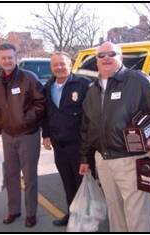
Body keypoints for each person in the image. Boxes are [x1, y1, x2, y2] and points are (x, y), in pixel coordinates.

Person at [79, 41, 150, 232]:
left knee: (138, 217)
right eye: (101, 55)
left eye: (112, 54)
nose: (106, 58)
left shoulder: (137, 80)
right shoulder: (93, 89)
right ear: (96, 61)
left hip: (130, 160)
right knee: (115, 212)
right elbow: (87, 127)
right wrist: (85, 157)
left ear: (121, 57)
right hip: (103, 159)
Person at [0, 43, 46, 228]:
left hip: (28, 135)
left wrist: (25, 120)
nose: (7, 61)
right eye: (3, 58)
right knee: (11, 176)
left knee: (29, 176)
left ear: (16, 58)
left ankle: (31, 213)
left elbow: (40, 102)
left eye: (10, 57)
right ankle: (13, 210)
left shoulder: (28, 78)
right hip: (8, 136)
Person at [42, 51, 91, 226]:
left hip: (78, 146)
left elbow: (90, 117)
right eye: (55, 64)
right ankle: (71, 214)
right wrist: (46, 134)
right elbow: (47, 114)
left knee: (82, 186)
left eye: (63, 64)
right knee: (67, 183)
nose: (59, 67)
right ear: (51, 67)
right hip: (59, 145)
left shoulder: (83, 84)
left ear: (70, 65)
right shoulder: (48, 87)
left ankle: (85, 220)